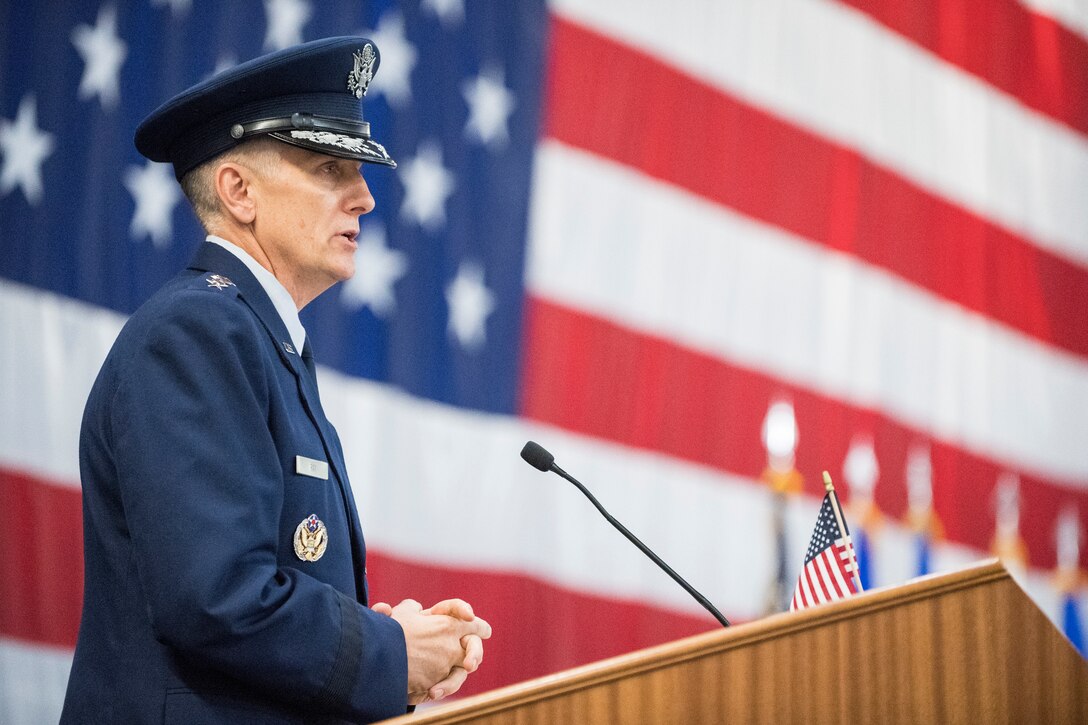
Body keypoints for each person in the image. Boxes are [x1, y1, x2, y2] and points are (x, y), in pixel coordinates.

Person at [60, 37, 490, 724]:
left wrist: (400, 651)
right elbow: (217, 596)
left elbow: (252, 585)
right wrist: (388, 650)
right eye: (330, 167)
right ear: (239, 191)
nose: (366, 198)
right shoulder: (200, 332)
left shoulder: (257, 339)